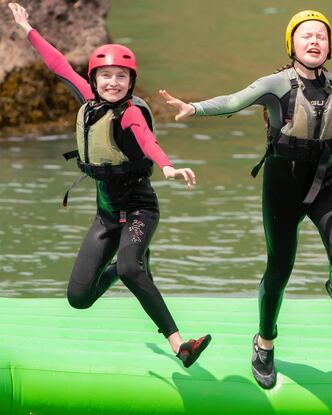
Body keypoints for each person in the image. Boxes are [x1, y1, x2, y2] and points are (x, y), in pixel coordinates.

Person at [159, 10, 332, 389]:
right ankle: (264, 342)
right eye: (306, 35)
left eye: (321, 37)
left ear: (329, 46)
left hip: (326, 181)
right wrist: (194, 108)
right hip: (283, 185)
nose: (314, 42)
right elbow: (233, 100)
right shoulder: (276, 85)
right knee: (279, 270)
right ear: (291, 44)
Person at [8, 3, 211, 367]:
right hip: (105, 215)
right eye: (106, 75)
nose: (113, 82)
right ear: (95, 78)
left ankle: (180, 343)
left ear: (130, 81)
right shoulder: (87, 102)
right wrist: (26, 28)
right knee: (79, 298)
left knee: (134, 268)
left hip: (139, 209)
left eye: (121, 76)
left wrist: (167, 167)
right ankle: (122, 265)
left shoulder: (131, 112)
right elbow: (57, 64)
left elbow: (147, 140)